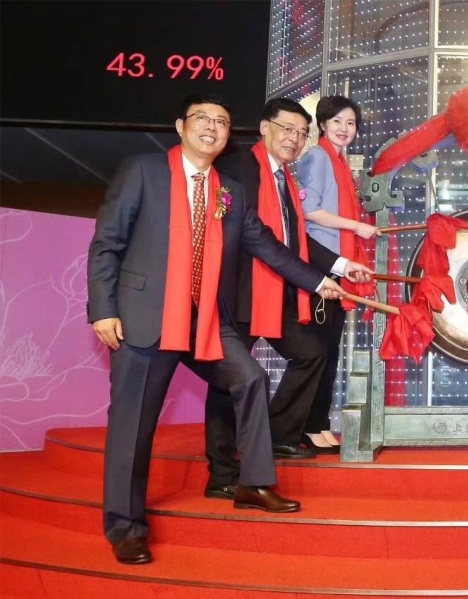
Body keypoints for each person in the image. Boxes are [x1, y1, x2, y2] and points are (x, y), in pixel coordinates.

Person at [87, 93, 345, 566]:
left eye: (222, 122)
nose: (212, 127)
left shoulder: (230, 191)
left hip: (204, 318)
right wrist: (103, 309)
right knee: (133, 426)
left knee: (249, 377)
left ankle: (251, 483)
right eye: (203, 119)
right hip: (145, 318)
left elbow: (267, 245)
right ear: (181, 126)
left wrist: (318, 280)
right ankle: (126, 527)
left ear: (228, 135)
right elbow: (107, 243)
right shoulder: (142, 170)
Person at [203, 98, 374, 500]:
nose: (294, 139)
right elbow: (255, 239)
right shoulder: (239, 170)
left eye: (301, 132)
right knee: (229, 381)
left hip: (277, 289)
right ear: (265, 128)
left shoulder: (285, 180)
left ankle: (279, 433)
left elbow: (295, 241)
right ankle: (222, 472)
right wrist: (317, 280)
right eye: (287, 129)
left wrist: (341, 266)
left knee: (312, 351)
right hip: (238, 294)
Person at [296, 95, 379, 452]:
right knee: (319, 348)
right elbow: (309, 211)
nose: (345, 129)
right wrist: (356, 227)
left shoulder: (342, 164)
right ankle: (308, 425)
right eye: (337, 122)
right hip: (321, 261)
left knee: (329, 349)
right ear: (322, 124)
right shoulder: (318, 157)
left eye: (351, 123)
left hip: (337, 261)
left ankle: (317, 422)